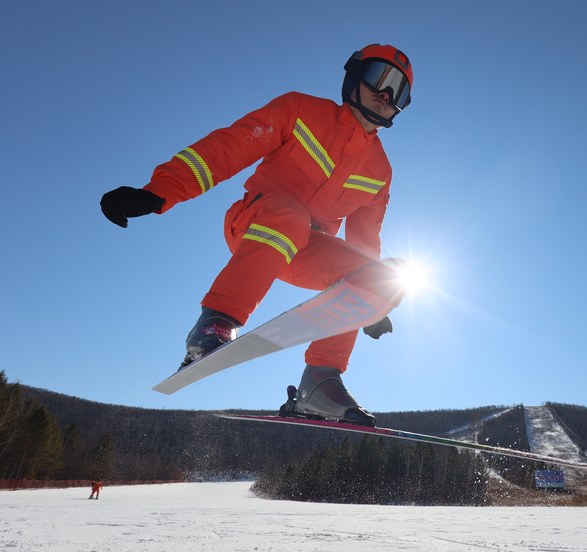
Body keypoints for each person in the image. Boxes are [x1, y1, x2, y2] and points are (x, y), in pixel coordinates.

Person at [100, 45, 414, 426]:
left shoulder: (380, 170)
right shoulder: (301, 111)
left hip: (305, 249)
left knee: (383, 272)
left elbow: (366, 242)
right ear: (354, 77)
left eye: (398, 89)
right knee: (291, 218)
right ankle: (216, 323)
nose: (386, 94)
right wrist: (160, 191)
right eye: (380, 78)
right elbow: (228, 148)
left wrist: (371, 301)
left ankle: (320, 381)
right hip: (255, 221)